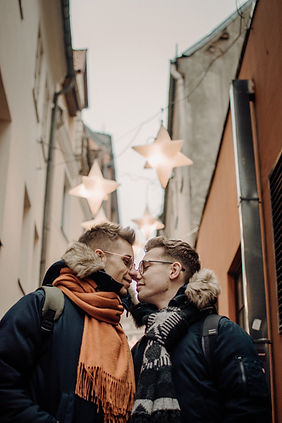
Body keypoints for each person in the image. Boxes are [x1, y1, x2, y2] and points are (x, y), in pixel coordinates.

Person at [0, 222, 138, 423]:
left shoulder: (115, 325)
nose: (134, 273)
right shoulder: (43, 305)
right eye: (127, 262)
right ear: (100, 256)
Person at [130, 236, 271, 423]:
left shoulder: (220, 333)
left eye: (145, 267)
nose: (137, 275)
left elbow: (249, 411)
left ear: (174, 270)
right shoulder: (143, 347)